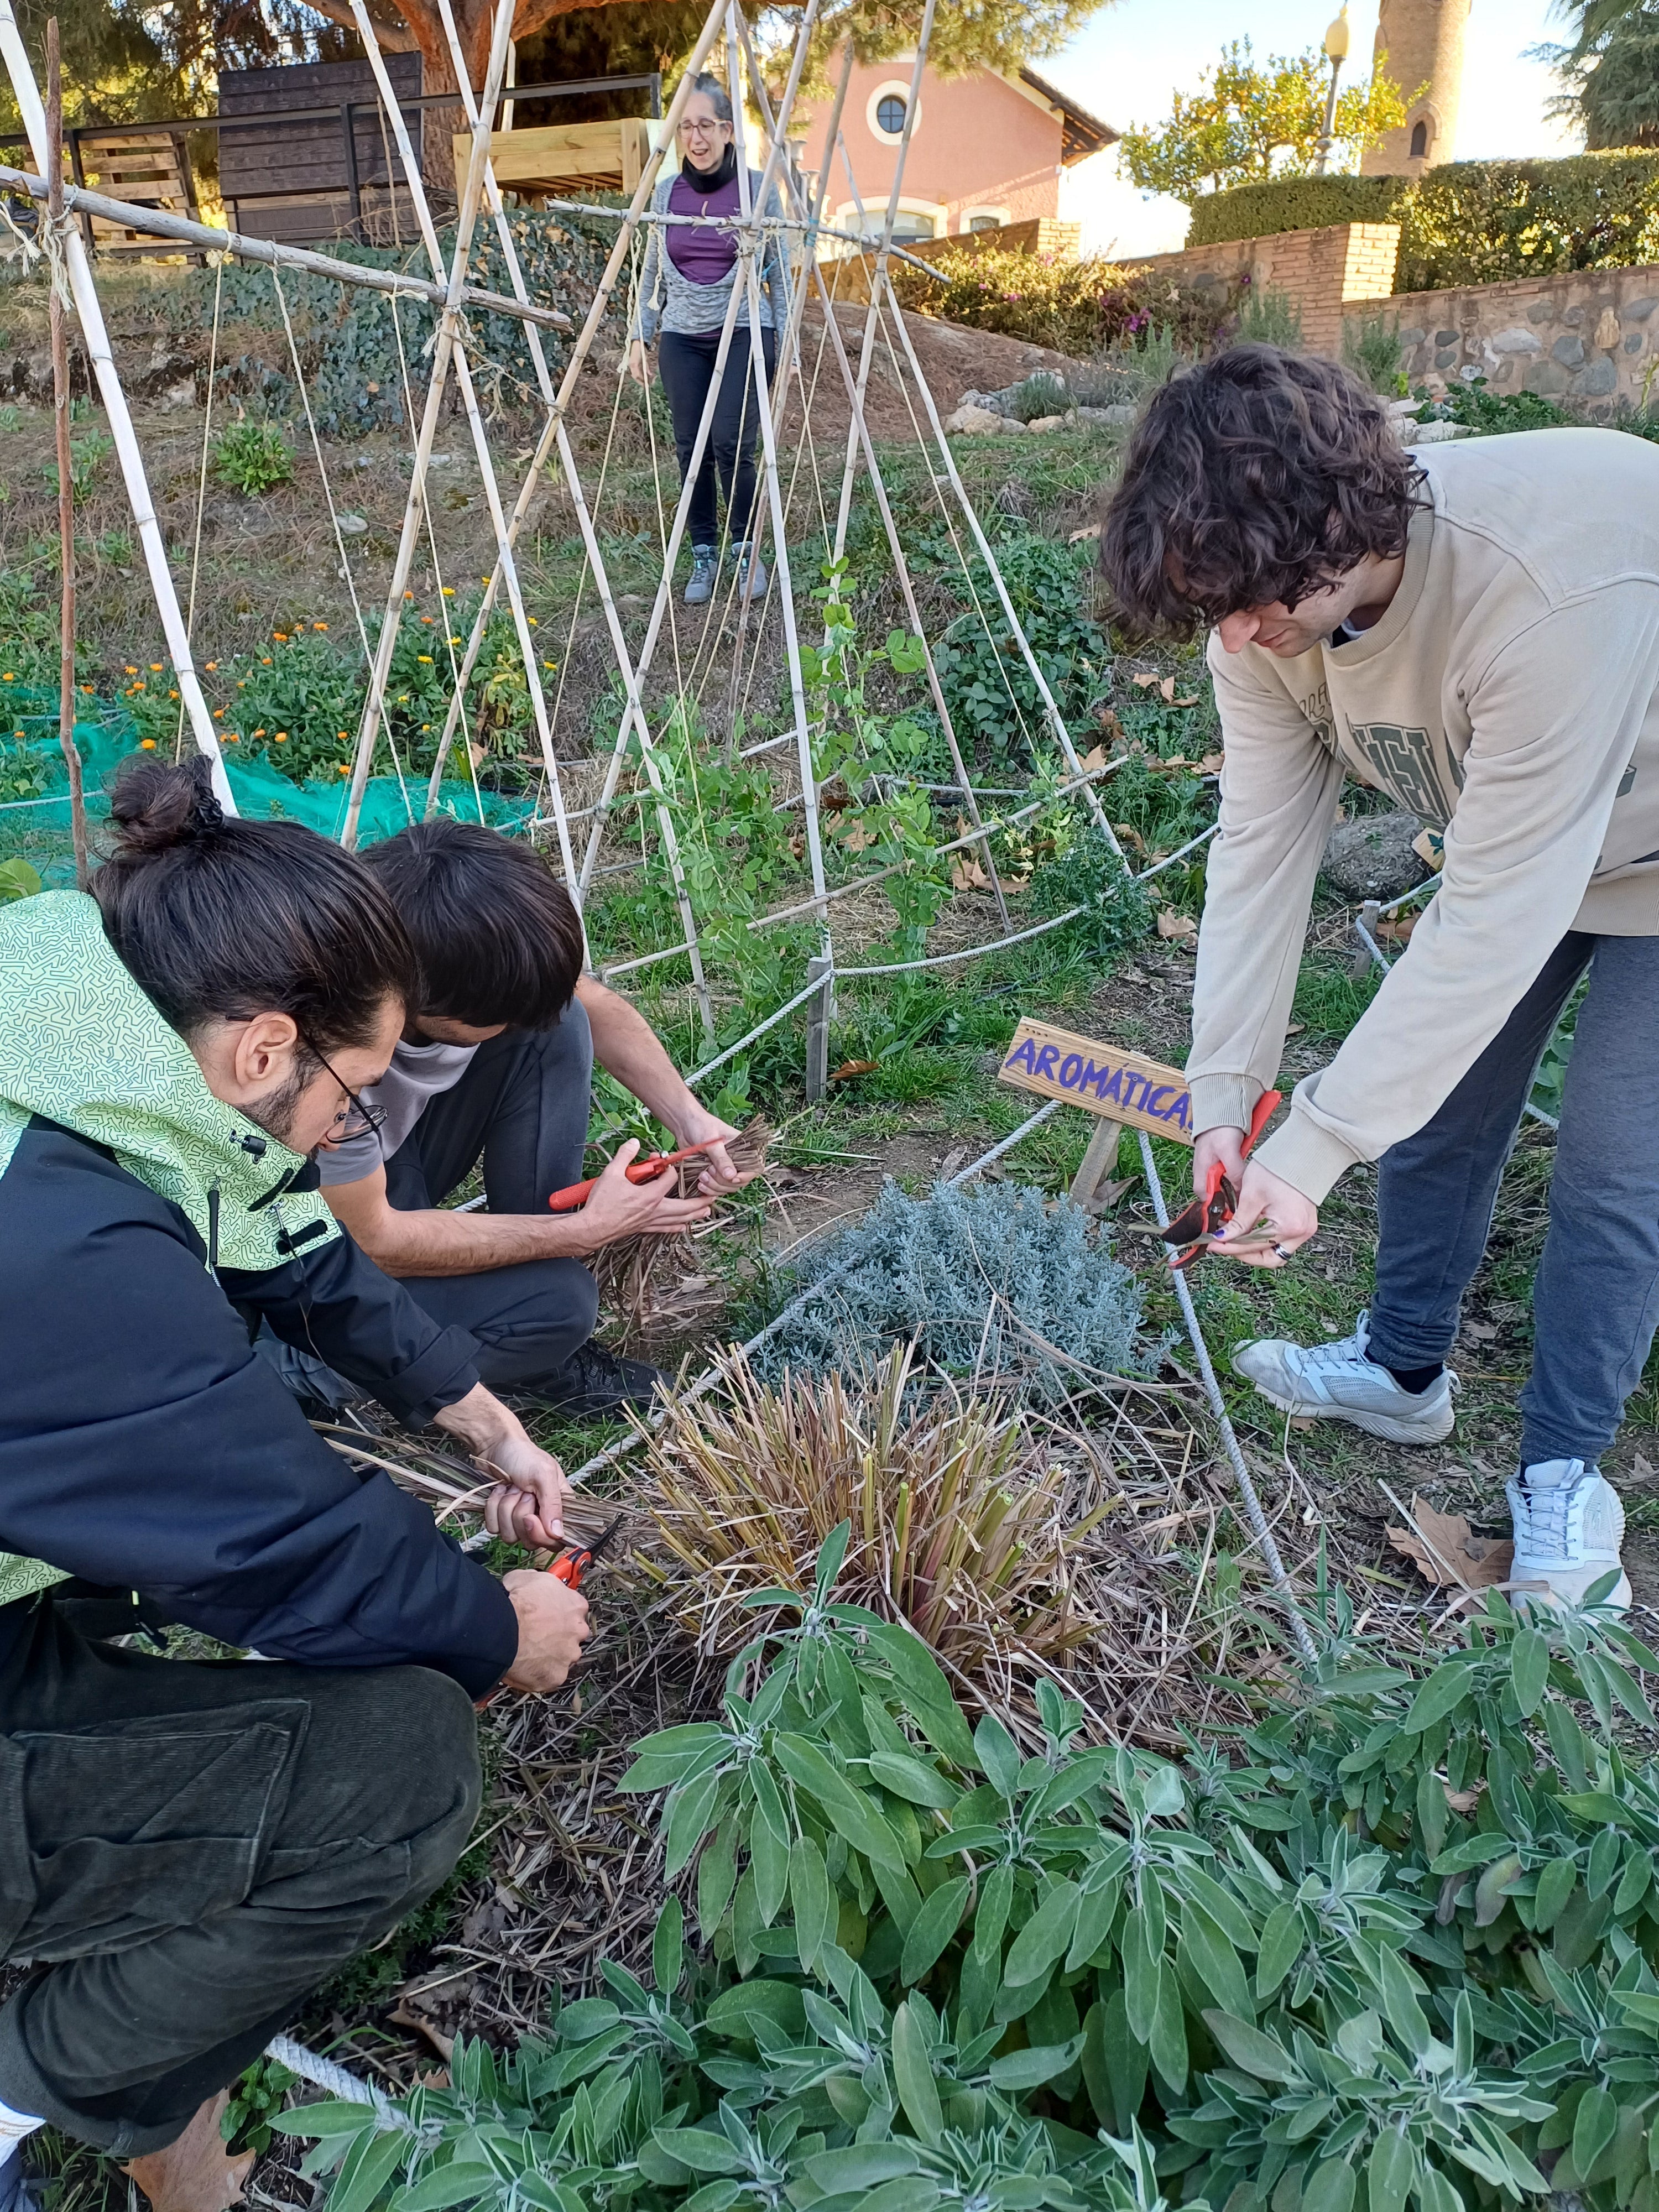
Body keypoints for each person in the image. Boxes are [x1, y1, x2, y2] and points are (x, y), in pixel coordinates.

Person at [0, 757, 591, 2200]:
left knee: (162, 1687)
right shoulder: (61, 1255)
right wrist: (498, 1632)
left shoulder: (76, 1030)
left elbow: (282, 1233)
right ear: (267, 1049)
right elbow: (279, 1539)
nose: (359, 1130)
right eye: (362, 1090)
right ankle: (23, 2081)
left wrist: (478, 1414)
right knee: (400, 1766)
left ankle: (164, 2140)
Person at [1098, 344, 1659, 1611]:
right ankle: (1403, 1371)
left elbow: (1494, 915)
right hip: (1531, 839)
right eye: (1212, 607)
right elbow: (1259, 852)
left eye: (1249, 601)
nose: (1233, 637)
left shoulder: (1545, 590)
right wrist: (1225, 1100)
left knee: (1616, 1158)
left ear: (1345, 529)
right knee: (1443, 1108)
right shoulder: (1258, 612)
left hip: (1645, 848)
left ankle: (1565, 1469)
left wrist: (1311, 1149)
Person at [297, 816, 759, 1417]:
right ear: (421, 999)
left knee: (560, 1020)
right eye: (501, 1016)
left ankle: (512, 1303)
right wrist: (582, 1232)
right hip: (309, 1256)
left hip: (388, 1163)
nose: (520, 1023)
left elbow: (588, 1005)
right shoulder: (327, 1066)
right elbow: (376, 1241)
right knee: (561, 1303)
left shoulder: (411, 943)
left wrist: (688, 1116)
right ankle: (312, 1375)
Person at [628, 72, 789, 607]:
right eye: (686, 127)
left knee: (731, 444)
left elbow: (779, 276)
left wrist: (787, 344)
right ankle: (704, 551)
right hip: (682, 336)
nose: (696, 138)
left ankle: (747, 547)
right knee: (689, 448)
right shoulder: (666, 191)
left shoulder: (756, 189)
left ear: (726, 131)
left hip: (744, 331)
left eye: (707, 126)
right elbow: (650, 272)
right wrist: (639, 336)